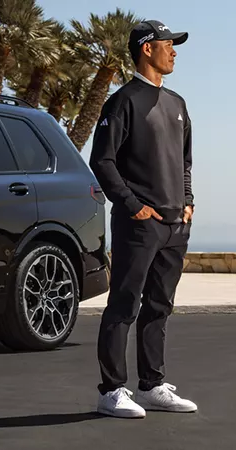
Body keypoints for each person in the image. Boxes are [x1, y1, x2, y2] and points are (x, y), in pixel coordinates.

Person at [87, 19, 197, 419]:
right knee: (124, 304)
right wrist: (133, 204)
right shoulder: (123, 101)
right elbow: (101, 160)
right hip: (139, 224)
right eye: (168, 44)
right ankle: (111, 390)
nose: (174, 51)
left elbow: (185, 162)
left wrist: (187, 201)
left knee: (160, 306)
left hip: (175, 224)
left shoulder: (178, 104)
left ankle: (151, 386)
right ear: (146, 49)